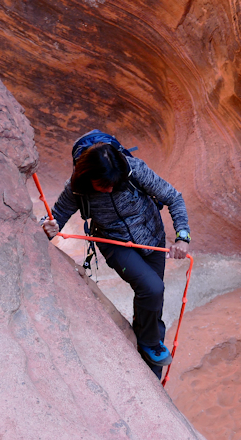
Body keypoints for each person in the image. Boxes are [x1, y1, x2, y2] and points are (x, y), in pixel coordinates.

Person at [41, 134, 191, 379]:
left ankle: (151, 372)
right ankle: (151, 348)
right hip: (115, 243)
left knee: (153, 302)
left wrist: (183, 236)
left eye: (114, 183)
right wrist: (47, 227)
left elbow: (173, 197)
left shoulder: (133, 170)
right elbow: (54, 217)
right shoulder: (77, 188)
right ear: (88, 176)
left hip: (153, 237)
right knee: (152, 288)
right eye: (103, 185)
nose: (110, 188)